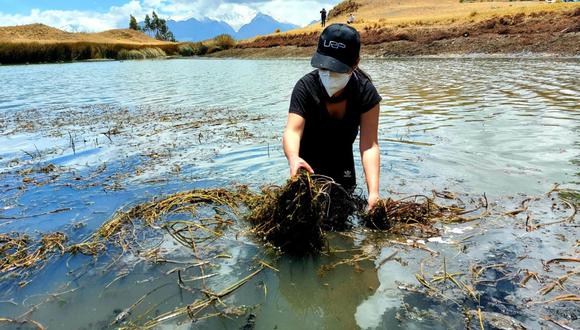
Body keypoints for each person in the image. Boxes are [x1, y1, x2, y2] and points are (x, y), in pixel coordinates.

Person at [283, 24, 381, 210]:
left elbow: (369, 145)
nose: (329, 75)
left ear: (355, 63)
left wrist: (374, 193)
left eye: (337, 70)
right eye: (324, 67)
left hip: (343, 171)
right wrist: (293, 158)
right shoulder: (305, 87)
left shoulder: (365, 92)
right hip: (307, 172)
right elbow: (292, 131)